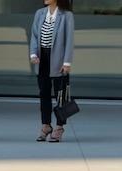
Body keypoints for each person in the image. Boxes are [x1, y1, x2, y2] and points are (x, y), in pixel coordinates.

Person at [30, 0, 75, 142]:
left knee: (61, 95)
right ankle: (46, 125)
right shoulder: (40, 13)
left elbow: (69, 40)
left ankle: (59, 127)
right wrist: (33, 53)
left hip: (58, 58)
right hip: (42, 58)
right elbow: (34, 35)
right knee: (44, 93)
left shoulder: (66, 15)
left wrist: (67, 62)